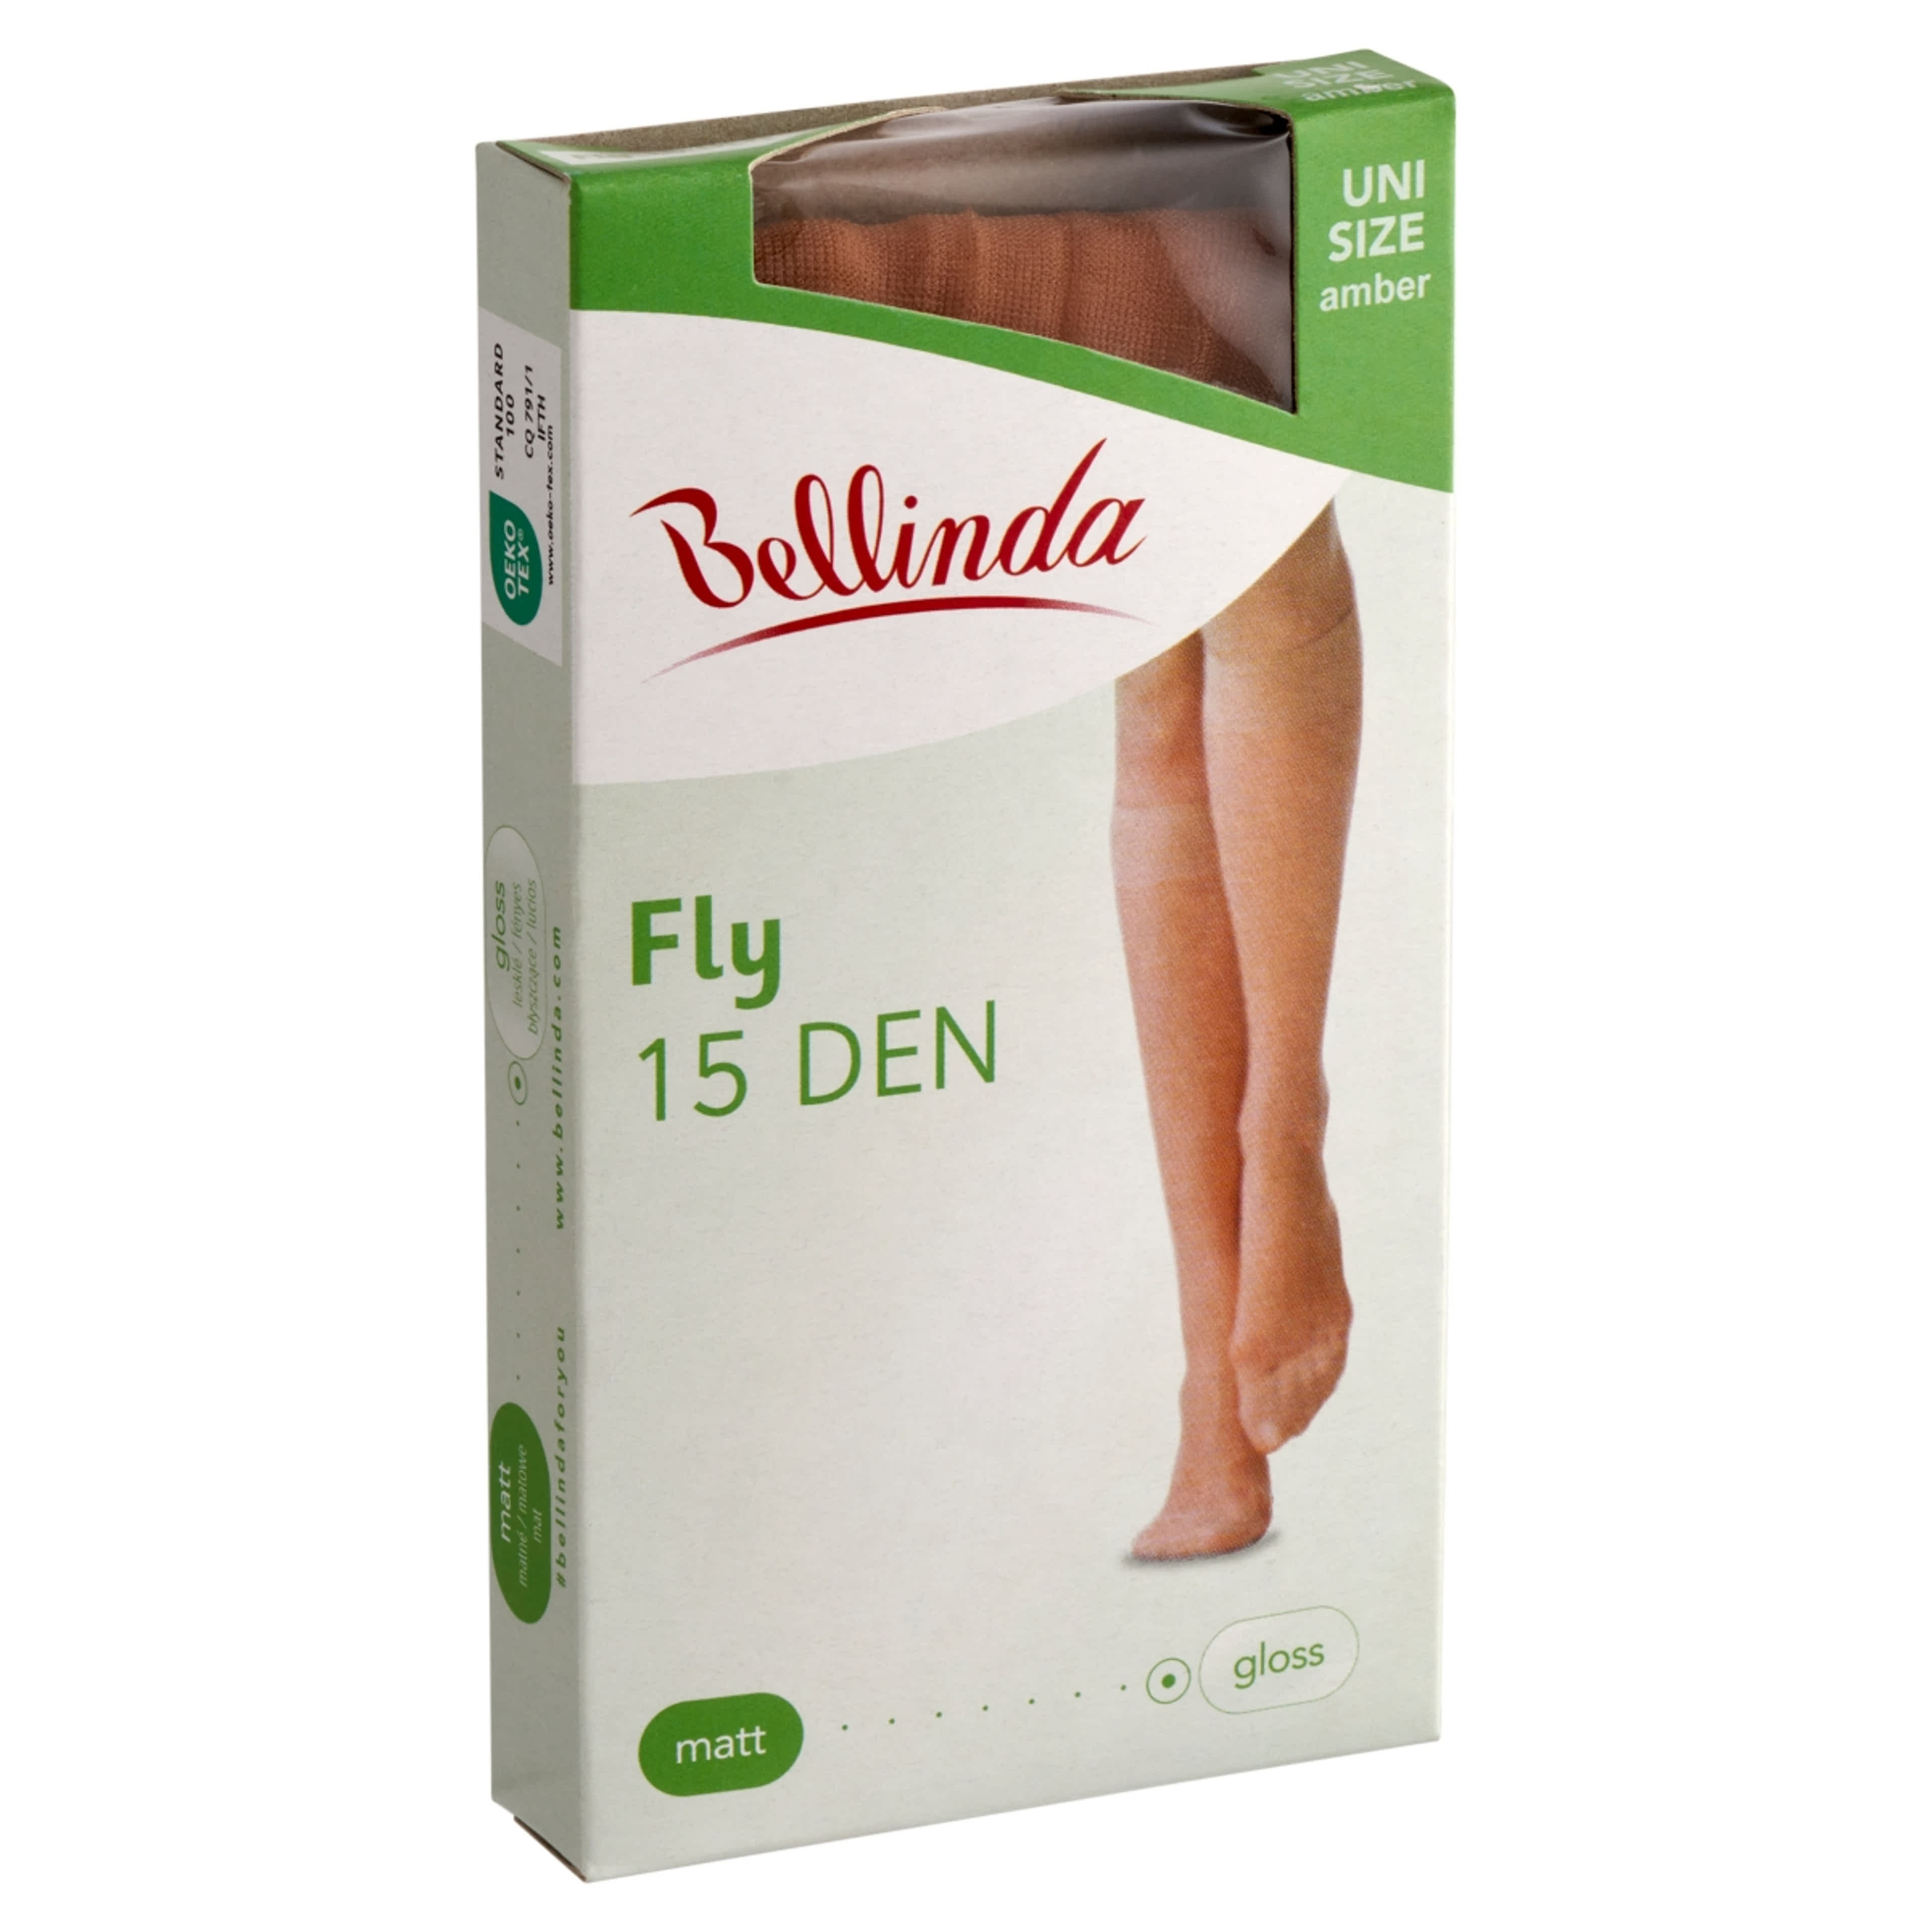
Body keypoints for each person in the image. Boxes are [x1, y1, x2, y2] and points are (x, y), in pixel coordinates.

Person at [755, 123, 1360, 1558]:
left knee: (1238, 581)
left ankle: (1283, 1143)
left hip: (1073, 173)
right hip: (810, 229)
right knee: (1155, 664)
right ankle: (1217, 1386)